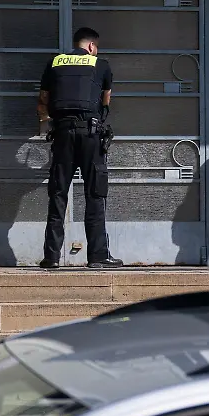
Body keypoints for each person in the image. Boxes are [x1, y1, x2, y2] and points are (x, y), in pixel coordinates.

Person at [37, 27, 123, 269]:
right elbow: (106, 100)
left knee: (58, 195)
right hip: (90, 133)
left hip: (62, 134)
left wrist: (48, 123)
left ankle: (51, 257)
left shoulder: (54, 62)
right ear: (92, 47)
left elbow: (43, 101)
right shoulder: (100, 64)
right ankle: (98, 257)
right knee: (95, 195)